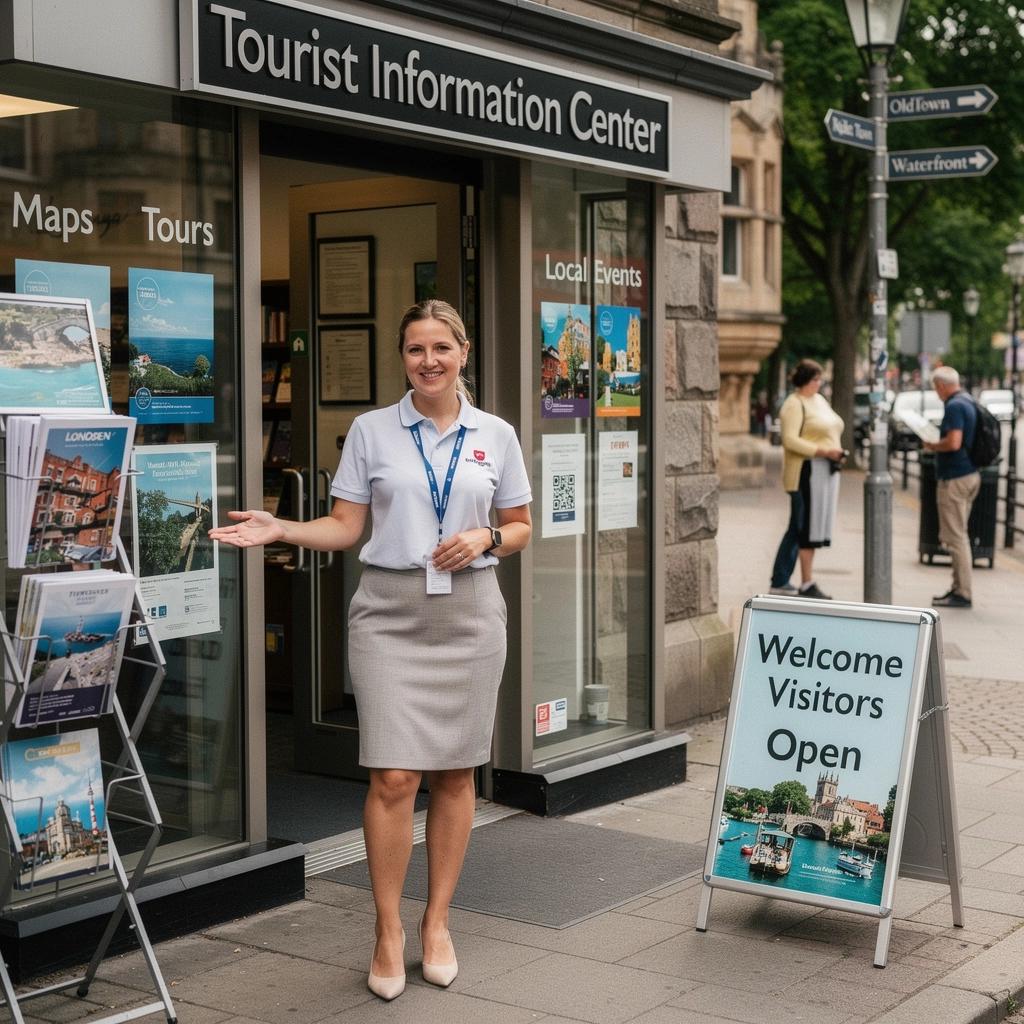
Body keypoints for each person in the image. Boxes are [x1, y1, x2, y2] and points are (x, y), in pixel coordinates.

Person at [210, 300, 532, 1000]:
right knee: (393, 777)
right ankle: (386, 927)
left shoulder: (496, 434)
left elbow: (520, 526)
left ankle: (437, 921)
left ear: (464, 351)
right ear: (403, 357)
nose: (429, 360)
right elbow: (344, 526)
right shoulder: (372, 430)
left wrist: (485, 539)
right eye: (415, 349)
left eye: (441, 347)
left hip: (472, 612)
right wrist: (282, 529)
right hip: (389, 611)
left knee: (455, 774)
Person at [768, 359, 845, 599]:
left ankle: (783, 579)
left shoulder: (819, 400)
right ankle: (788, 580)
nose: (819, 384)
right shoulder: (794, 404)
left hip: (823, 472)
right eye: (815, 379)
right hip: (805, 472)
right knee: (801, 527)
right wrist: (823, 451)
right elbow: (790, 440)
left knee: (800, 526)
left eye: (820, 379)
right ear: (804, 380)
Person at [923, 365, 978, 609]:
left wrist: (933, 445)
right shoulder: (968, 401)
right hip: (969, 474)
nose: (936, 393)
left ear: (943, 385)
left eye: (936, 388)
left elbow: (954, 442)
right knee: (959, 535)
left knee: (956, 538)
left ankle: (962, 592)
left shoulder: (955, 406)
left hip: (955, 477)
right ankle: (958, 588)